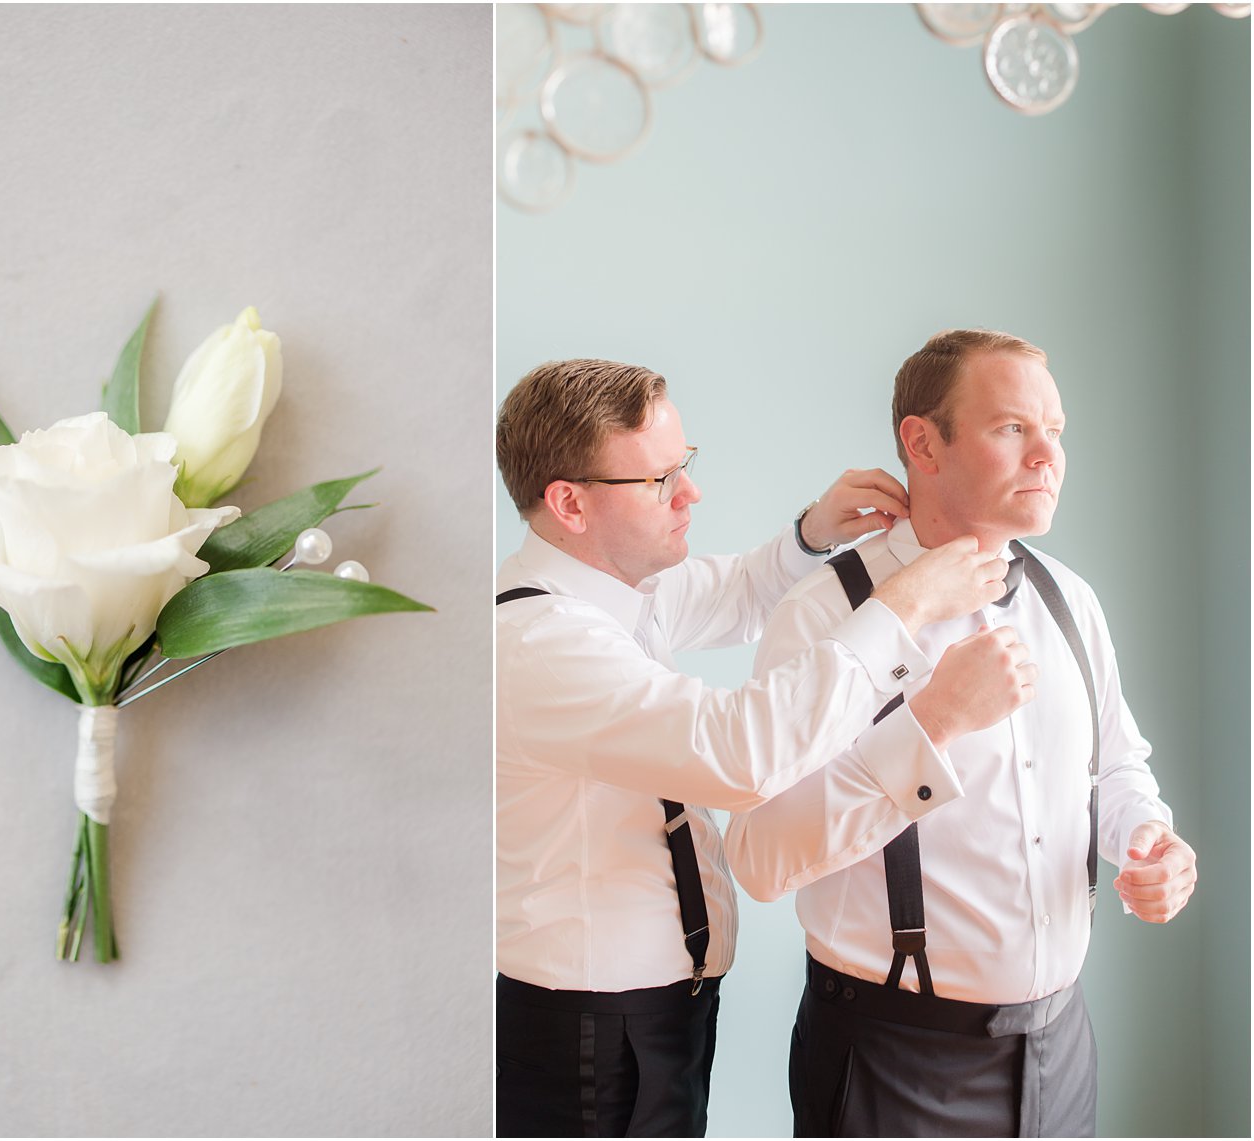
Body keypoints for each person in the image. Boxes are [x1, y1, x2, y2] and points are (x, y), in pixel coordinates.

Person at [495, 358, 1033, 1138]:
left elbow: (740, 590)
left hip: (650, 1014)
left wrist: (812, 532)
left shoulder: (612, 592)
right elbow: (738, 753)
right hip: (588, 1032)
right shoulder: (543, 643)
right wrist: (907, 604)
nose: (690, 493)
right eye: (658, 480)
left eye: (687, 464)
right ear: (569, 502)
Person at [726, 329, 1198, 1138]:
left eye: (1056, 431)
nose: (1048, 456)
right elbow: (760, 856)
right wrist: (932, 723)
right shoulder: (826, 614)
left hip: (1061, 1049)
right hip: (892, 1062)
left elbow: (1116, 765)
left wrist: (1151, 836)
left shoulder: (1071, 600)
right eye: (1012, 428)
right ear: (922, 442)